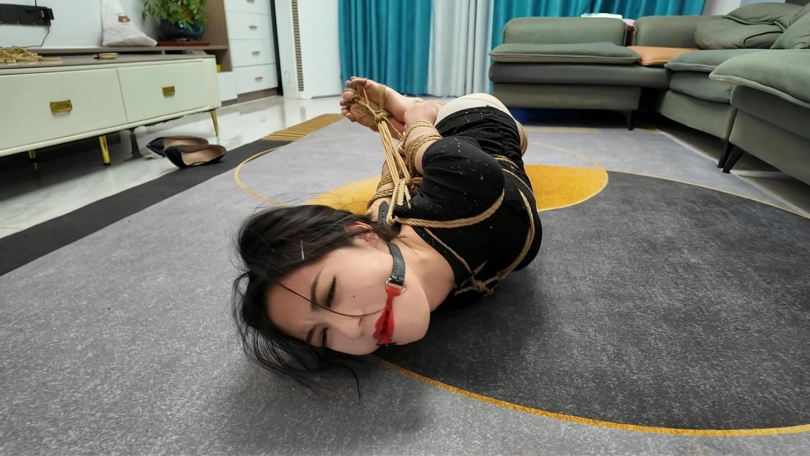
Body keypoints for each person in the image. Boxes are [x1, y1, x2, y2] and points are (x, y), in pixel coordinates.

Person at [232, 78, 542, 388]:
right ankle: (403, 124)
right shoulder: (381, 229)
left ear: (363, 236)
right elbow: (388, 189)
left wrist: (417, 121)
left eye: (331, 293)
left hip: (477, 120)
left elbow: (408, 174)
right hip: (437, 178)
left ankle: (413, 110)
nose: (350, 329)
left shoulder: (470, 182)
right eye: (323, 334)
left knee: (432, 145)